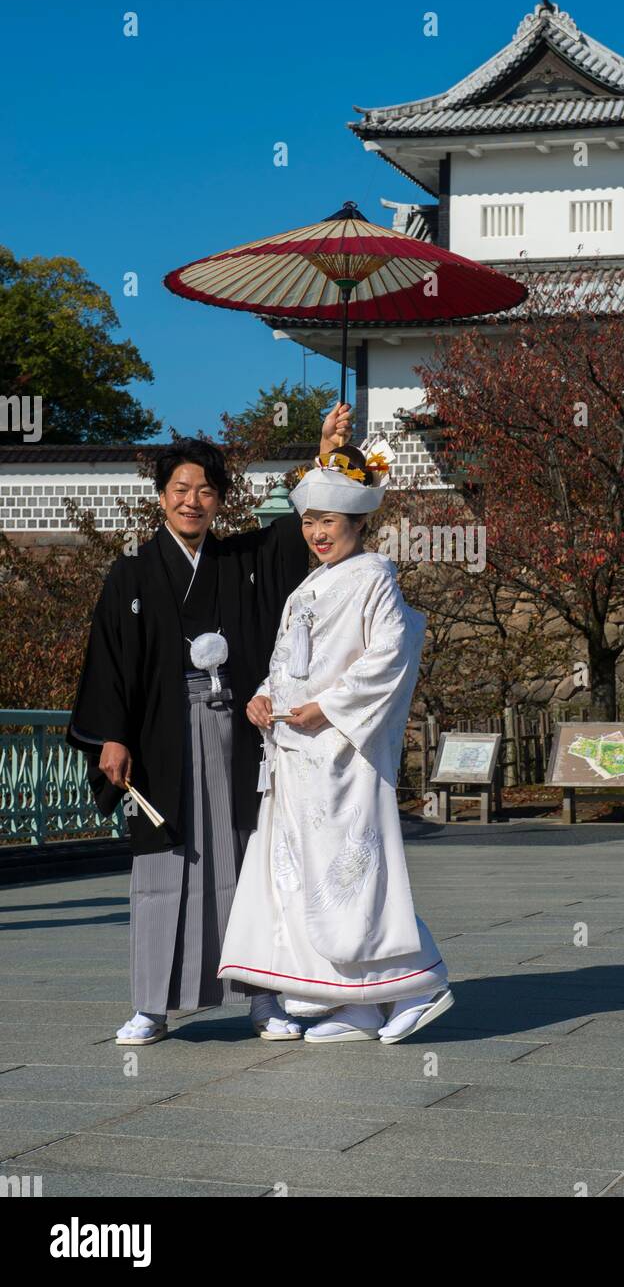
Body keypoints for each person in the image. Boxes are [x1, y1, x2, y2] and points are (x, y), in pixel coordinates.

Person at [67, 404, 351, 1045]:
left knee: (248, 865)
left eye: (205, 491)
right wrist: (111, 734)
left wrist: (324, 453)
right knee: (164, 870)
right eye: (180, 490)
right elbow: (109, 661)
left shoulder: (239, 563)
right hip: (161, 739)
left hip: (233, 736)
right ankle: (151, 1006)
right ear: (161, 498)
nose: (191, 501)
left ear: (220, 500)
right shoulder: (132, 575)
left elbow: (293, 536)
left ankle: (263, 1001)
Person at [217, 440, 453, 1043]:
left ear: (357, 521)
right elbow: (285, 662)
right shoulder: (307, 588)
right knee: (312, 881)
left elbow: (390, 657)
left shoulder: (373, 577)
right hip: (295, 752)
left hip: (344, 750)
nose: (317, 534)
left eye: (328, 521)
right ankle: (354, 1003)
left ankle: (418, 981)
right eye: (309, 522)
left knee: (354, 873)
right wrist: (263, 696)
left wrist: (330, 706)